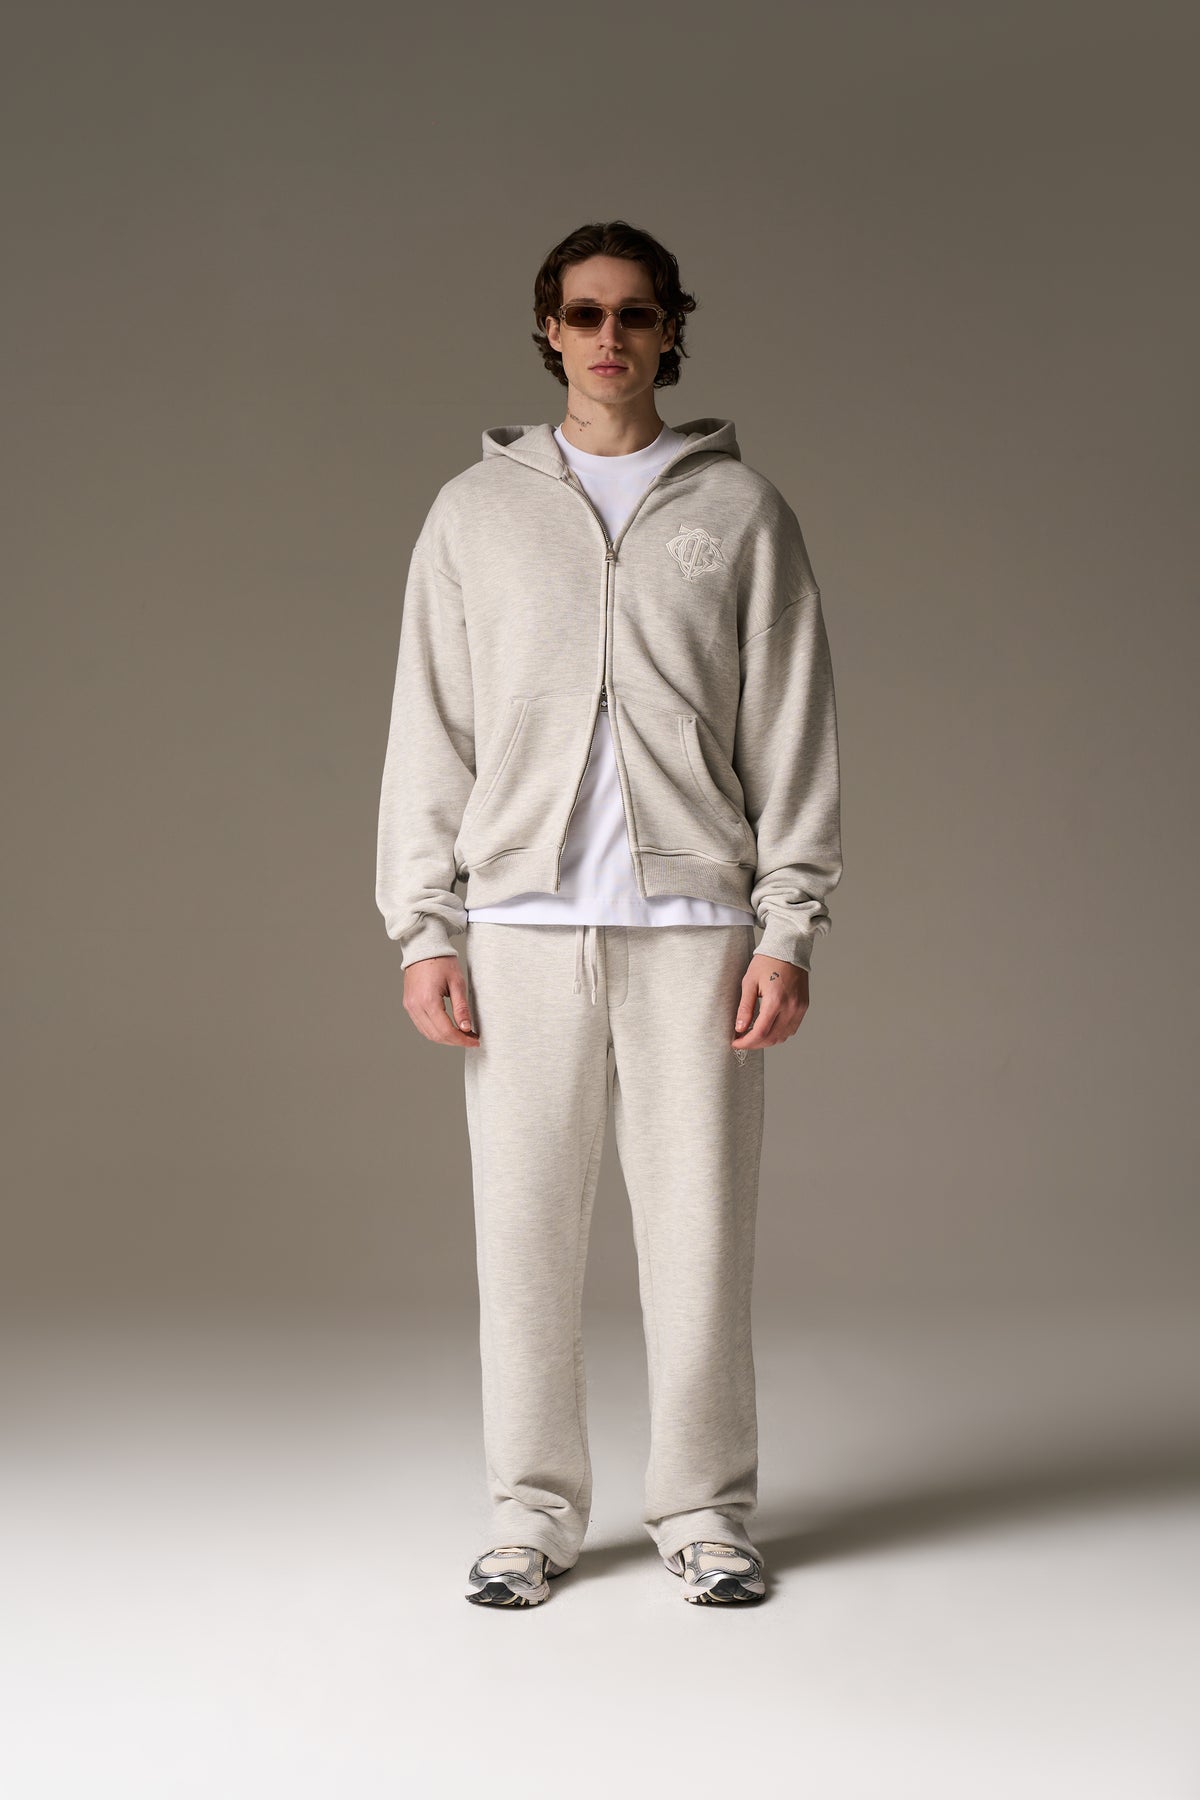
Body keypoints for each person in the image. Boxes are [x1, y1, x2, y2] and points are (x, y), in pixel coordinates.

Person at [375, 219, 843, 1608]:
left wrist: (786, 926)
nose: (609, 338)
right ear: (548, 329)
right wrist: (426, 926)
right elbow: (430, 728)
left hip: (696, 933)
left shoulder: (740, 511)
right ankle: (531, 1512)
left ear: (670, 329)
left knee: (700, 1239)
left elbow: (793, 729)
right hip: (519, 928)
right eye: (584, 314)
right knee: (522, 1239)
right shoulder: (474, 513)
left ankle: (704, 1510)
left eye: (635, 314)